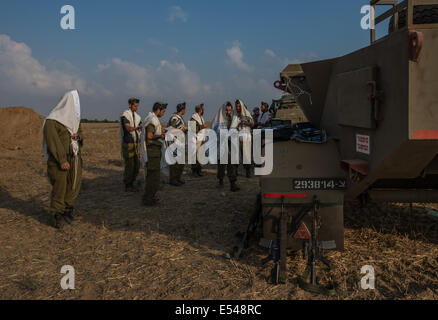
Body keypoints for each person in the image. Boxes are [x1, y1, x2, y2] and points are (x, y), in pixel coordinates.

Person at [43, 90, 83, 229]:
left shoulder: (74, 121)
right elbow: (53, 142)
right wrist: (62, 160)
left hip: (73, 159)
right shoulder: (52, 121)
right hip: (59, 162)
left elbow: (80, 136)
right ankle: (57, 215)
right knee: (60, 188)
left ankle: (67, 210)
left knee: (73, 185)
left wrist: (79, 137)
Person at [142, 102, 167, 206]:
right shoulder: (152, 120)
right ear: (158, 110)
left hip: (154, 152)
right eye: (163, 111)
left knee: (154, 177)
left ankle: (150, 197)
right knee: (153, 177)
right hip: (152, 153)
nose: (164, 113)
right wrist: (160, 136)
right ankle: (148, 199)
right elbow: (150, 136)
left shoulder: (153, 119)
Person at [211, 102, 240, 192]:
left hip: (230, 143)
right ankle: (220, 180)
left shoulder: (232, 119)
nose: (228, 112)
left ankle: (232, 183)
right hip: (221, 144)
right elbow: (213, 130)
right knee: (221, 164)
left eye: (229, 110)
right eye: (226, 110)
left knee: (231, 163)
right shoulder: (218, 119)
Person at [120, 98, 142, 192]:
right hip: (128, 143)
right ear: (130, 105)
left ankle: (132, 182)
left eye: (137, 106)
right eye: (134, 105)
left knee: (137, 165)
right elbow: (128, 128)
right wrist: (137, 128)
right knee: (130, 165)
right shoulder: (125, 115)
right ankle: (128, 184)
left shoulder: (137, 117)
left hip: (136, 143)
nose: (136, 107)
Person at [167, 102, 187, 186]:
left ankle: (178, 178)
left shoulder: (179, 118)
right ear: (182, 110)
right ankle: (173, 179)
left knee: (180, 162)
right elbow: (171, 130)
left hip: (180, 143)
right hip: (175, 143)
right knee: (175, 162)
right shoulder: (175, 118)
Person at [235, 99, 254, 178]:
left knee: (246, 154)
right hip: (236, 138)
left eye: (239, 106)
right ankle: (235, 171)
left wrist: (245, 123)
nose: (238, 108)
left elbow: (252, 124)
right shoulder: (234, 115)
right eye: (236, 106)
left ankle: (248, 171)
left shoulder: (247, 114)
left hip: (246, 137)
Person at [190, 104, 207, 177]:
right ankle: (194, 171)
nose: (204, 110)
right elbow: (193, 129)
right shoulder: (193, 118)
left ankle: (199, 170)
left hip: (201, 139)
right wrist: (202, 126)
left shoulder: (200, 118)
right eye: (203, 109)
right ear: (200, 110)